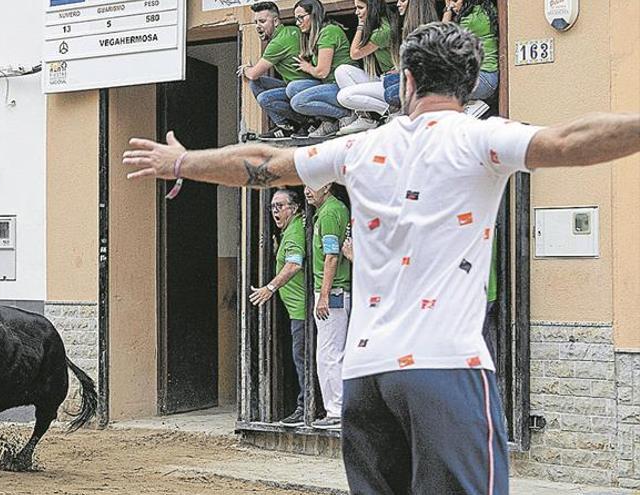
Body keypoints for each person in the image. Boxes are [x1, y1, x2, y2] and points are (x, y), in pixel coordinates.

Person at [122, 22, 640, 493]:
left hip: (367, 376)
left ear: (407, 81)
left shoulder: (360, 146)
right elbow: (572, 141)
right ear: (468, 83)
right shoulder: (481, 137)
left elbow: (265, 163)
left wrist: (184, 161)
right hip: (444, 366)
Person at [249, 189, 308, 426]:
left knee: (303, 359)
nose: (275, 211)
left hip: (302, 311)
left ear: (294, 209)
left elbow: (294, 264)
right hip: (297, 310)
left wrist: (269, 288)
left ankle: (306, 408)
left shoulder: (293, 232)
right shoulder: (289, 232)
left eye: (280, 206)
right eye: (272, 207)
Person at [305, 183, 350, 430]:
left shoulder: (331, 213)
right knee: (332, 352)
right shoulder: (331, 210)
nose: (306, 190)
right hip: (336, 292)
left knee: (328, 354)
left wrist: (323, 295)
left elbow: (332, 256)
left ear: (328, 186)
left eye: (313, 185)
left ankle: (337, 412)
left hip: (333, 293)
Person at [239, 2, 312, 141]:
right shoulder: (293, 30)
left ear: (276, 21)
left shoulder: (277, 43)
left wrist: (245, 69)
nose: (257, 26)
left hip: (302, 90)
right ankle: (286, 126)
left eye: (262, 21)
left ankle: (307, 121)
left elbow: (253, 73)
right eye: (255, 22)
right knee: (257, 83)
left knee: (264, 98)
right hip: (297, 86)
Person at [286, 0, 356, 138]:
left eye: (301, 17)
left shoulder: (329, 32)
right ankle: (329, 122)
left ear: (314, 15)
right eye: (296, 19)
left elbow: (321, 72)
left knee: (298, 102)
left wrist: (307, 67)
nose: (297, 22)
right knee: (292, 88)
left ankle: (346, 115)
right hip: (328, 84)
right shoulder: (316, 35)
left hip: (341, 86)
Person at [334, 0, 398, 134]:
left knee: (344, 96)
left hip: (392, 83)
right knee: (342, 71)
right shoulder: (378, 26)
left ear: (373, 7)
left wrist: (361, 25)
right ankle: (366, 118)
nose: (356, 12)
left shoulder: (382, 31)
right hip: (381, 79)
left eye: (360, 8)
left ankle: (389, 113)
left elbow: (355, 53)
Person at [444, 0, 499, 117]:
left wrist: (448, 9)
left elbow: (441, 35)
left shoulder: (469, 19)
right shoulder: (485, 11)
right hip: (488, 79)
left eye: (455, 1)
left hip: (483, 79)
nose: (453, 5)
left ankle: (468, 108)